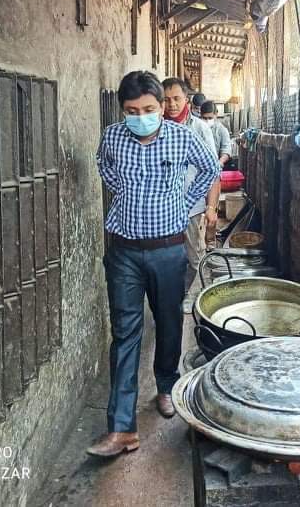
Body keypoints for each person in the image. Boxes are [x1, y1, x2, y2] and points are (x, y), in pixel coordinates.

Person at [87, 71, 219, 458]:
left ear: (161, 107)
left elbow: (210, 169)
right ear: (122, 111)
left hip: (168, 249)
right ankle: (121, 428)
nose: (140, 116)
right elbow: (102, 164)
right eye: (132, 111)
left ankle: (165, 384)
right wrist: (124, 190)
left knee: (168, 321)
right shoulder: (113, 137)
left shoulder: (182, 137)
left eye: (148, 109)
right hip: (124, 251)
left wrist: (184, 204)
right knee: (125, 333)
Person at [161, 78, 220, 312]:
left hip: (191, 207)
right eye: (166, 100)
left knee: (194, 257)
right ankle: (168, 297)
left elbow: (213, 170)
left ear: (187, 99)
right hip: (161, 207)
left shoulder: (200, 128)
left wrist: (211, 207)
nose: (172, 104)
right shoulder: (156, 127)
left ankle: (186, 293)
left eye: (177, 99)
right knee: (165, 257)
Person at [200, 101, 234, 249]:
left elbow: (226, 151)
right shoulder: (197, 128)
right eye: (204, 118)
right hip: (197, 176)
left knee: (211, 209)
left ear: (216, 115)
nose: (207, 120)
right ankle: (198, 242)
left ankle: (210, 241)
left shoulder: (222, 131)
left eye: (209, 117)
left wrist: (218, 163)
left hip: (213, 176)